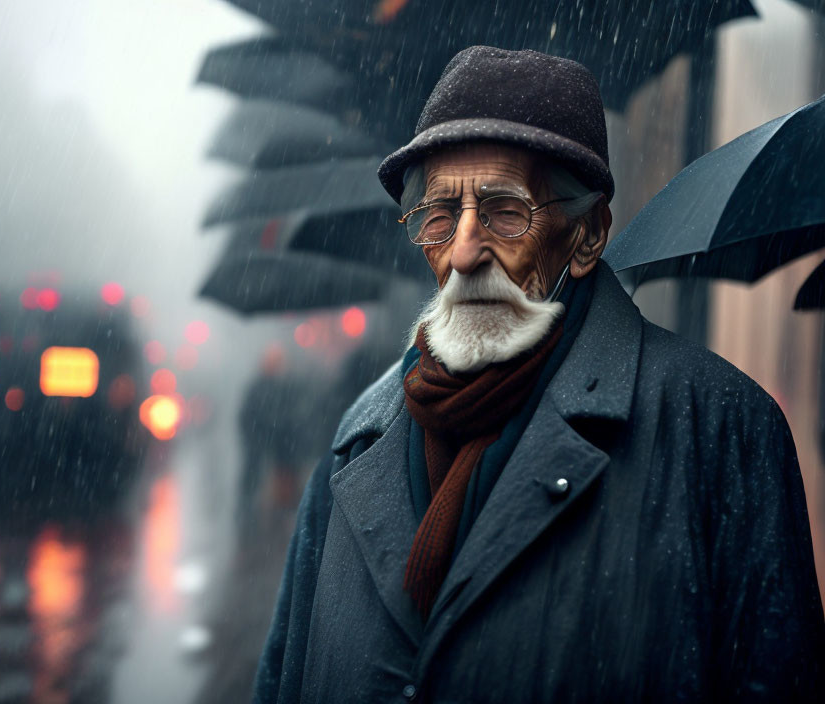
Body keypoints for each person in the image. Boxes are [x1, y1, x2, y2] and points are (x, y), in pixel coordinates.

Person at [252, 46, 825, 703]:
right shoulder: (361, 434)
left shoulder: (719, 431)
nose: (464, 251)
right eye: (440, 216)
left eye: (503, 211)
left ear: (585, 238)